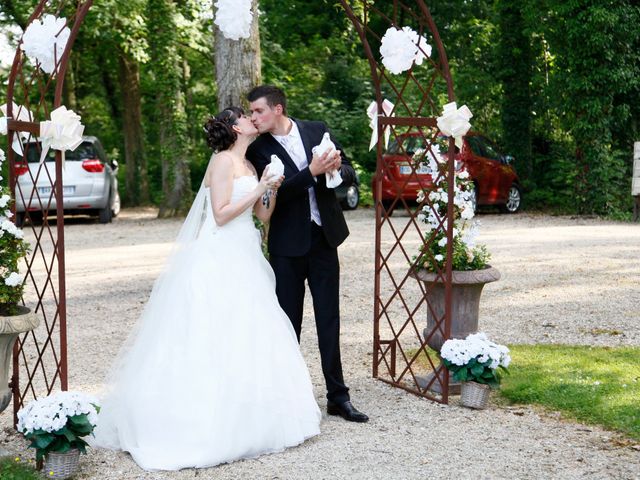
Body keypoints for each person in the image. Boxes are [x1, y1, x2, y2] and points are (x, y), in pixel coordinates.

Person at [91, 107, 321, 471]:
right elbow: (220, 214)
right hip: (219, 253)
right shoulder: (223, 162)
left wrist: (270, 189)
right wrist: (260, 188)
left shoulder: (249, 165)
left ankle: (254, 414)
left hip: (246, 251)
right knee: (211, 330)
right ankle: (202, 421)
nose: (252, 120)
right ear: (234, 127)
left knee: (251, 330)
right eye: (246, 117)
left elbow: (262, 216)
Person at [246, 85, 369, 423]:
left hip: (324, 238)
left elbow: (349, 173)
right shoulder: (257, 150)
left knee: (329, 319)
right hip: (287, 246)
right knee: (289, 324)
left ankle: (338, 397)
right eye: (252, 113)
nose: (254, 117)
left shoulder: (317, 129)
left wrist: (334, 170)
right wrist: (310, 172)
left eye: (258, 111)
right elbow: (273, 197)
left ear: (278, 109)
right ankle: (288, 399)